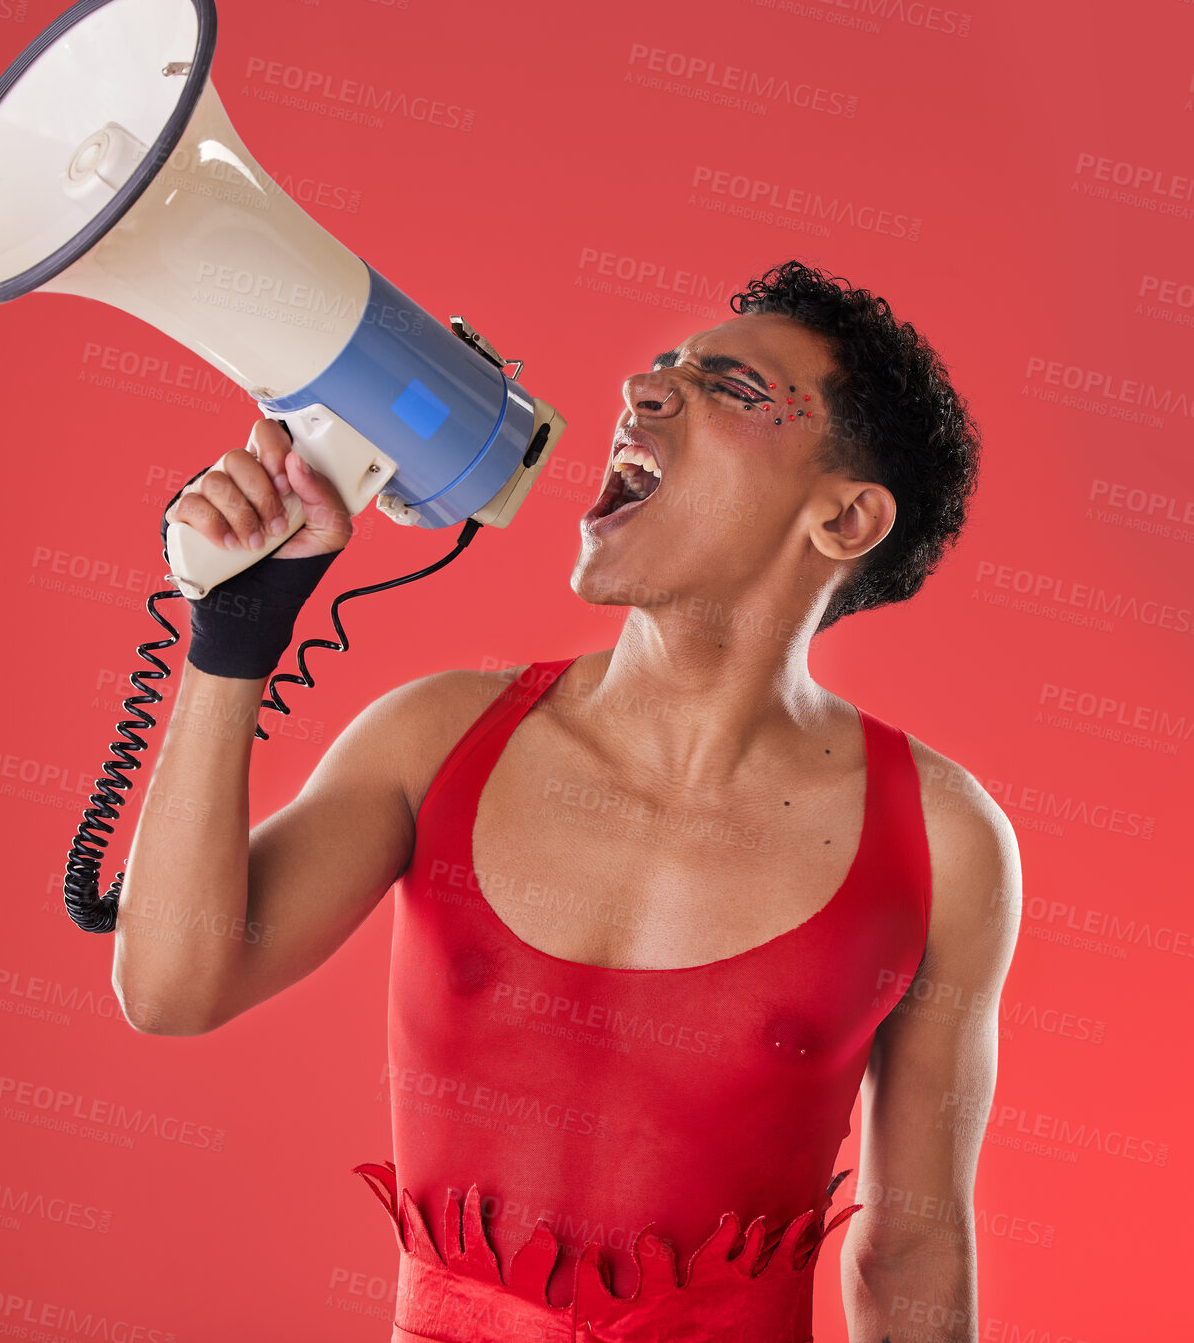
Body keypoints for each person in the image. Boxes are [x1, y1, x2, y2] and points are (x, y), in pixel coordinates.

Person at [114, 259, 1021, 1343]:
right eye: (663, 367)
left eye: (727, 388)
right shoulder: (436, 735)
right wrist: (231, 640)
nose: (644, 388)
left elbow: (912, 1246)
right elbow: (172, 984)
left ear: (843, 519)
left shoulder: (942, 842)